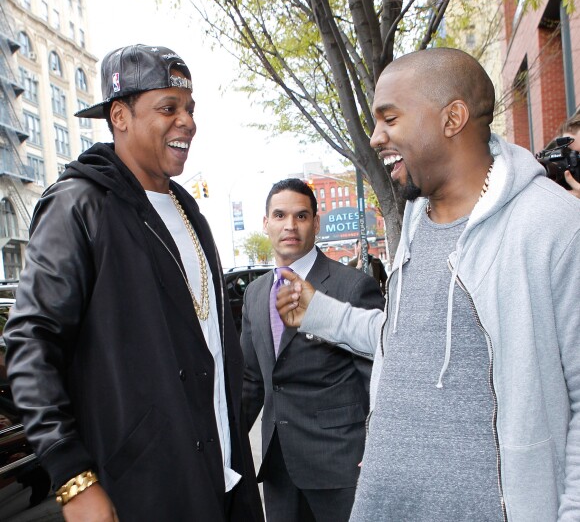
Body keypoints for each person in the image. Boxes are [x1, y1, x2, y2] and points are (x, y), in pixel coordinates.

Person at [277, 48, 580, 521]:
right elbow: (407, 343)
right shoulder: (416, 220)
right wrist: (319, 312)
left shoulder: (553, 225)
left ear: (452, 117)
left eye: (389, 118)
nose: (376, 138)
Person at [4, 44, 263, 522]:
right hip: (144, 492)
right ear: (119, 116)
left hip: (224, 478)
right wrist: (72, 477)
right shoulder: (79, 206)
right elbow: (29, 344)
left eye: (189, 109)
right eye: (168, 108)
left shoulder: (190, 213)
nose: (187, 121)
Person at [241, 178, 384, 522]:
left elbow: (380, 376)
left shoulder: (352, 286)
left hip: (341, 466)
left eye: (301, 216)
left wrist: (380, 448)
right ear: (266, 223)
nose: (290, 225)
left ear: (316, 224)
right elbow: (251, 381)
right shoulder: (256, 293)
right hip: (278, 469)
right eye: (279, 215)